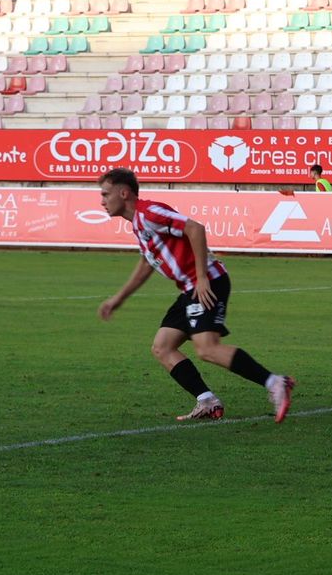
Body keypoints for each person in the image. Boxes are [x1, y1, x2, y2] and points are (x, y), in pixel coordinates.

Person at [95, 168, 295, 423]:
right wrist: (119, 298)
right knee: (162, 346)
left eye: (105, 194)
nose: (102, 201)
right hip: (189, 288)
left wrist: (201, 277)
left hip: (207, 282)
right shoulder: (138, 224)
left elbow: (195, 228)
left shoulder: (150, 213)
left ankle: (276, 382)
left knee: (207, 348)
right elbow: (147, 263)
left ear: (123, 193)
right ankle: (207, 401)